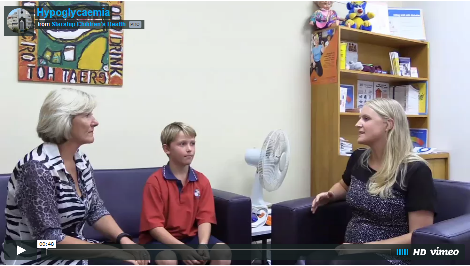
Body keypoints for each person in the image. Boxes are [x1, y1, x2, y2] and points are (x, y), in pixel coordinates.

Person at [0, 88, 150, 265]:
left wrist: (123, 240)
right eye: (87, 115)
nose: (95, 122)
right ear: (64, 120)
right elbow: (49, 240)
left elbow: (95, 209)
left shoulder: (81, 160)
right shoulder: (36, 169)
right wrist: (111, 252)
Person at [307, 98, 437, 265]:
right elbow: (343, 185)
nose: (357, 124)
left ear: (388, 125)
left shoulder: (415, 170)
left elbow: (419, 236)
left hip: (391, 256)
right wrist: (331, 195)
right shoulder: (358, 158)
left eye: (366, 119)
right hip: (351, 251)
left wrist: (366, 248)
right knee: (313, 259)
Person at [139, 122, 231, 265]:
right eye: (182, 144)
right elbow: (154, 227)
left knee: (223, 251)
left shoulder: (202, 181)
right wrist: (182, 249)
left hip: (191, 238)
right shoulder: (155, 182)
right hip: (160, 241)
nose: (189, 149)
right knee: (168, 258)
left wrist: (203, 244)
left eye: (192, 143)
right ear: (166, 148)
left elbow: (205, 219)